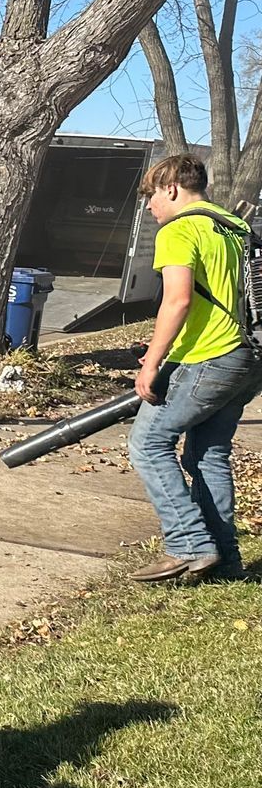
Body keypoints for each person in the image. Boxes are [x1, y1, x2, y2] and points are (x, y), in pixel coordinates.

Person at [126, 153, 259, 582]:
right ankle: (226, 561)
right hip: (249, 355)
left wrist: (152, 361)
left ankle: (188, 545)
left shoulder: (180, 228)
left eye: (150, 196)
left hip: (210, 355)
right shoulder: (234, 224)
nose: (149, 206)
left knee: (148, 443)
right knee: (207, 454)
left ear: (171, 188)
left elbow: (178, 300)